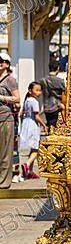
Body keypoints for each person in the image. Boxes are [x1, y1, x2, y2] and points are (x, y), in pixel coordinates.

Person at [19, 82, 47, 180]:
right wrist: (44, 125)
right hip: (33, 126)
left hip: (27, 124)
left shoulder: (27, 101)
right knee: (36, 149)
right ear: (30, 91)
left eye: (40, 90)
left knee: (32, 148)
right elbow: (36, 116)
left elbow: (22, 114)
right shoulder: (34, 101)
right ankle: (27, 164)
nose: (39, 92)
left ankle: (30, 172)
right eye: (37, 90)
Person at [0, 53, 20, 189]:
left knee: (5, 151)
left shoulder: (10, 80)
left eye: (1, 61)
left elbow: (17, 98)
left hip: (5, 117)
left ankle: (4, 181)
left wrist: (2, 97)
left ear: (7, 64)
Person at [40, 59, 66, 131]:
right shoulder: (60, 81)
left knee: (48, 125)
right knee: (55, 127)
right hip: (57, 106)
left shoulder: (43, 80)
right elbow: (64, 94)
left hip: (46, 106)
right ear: (58, 68)